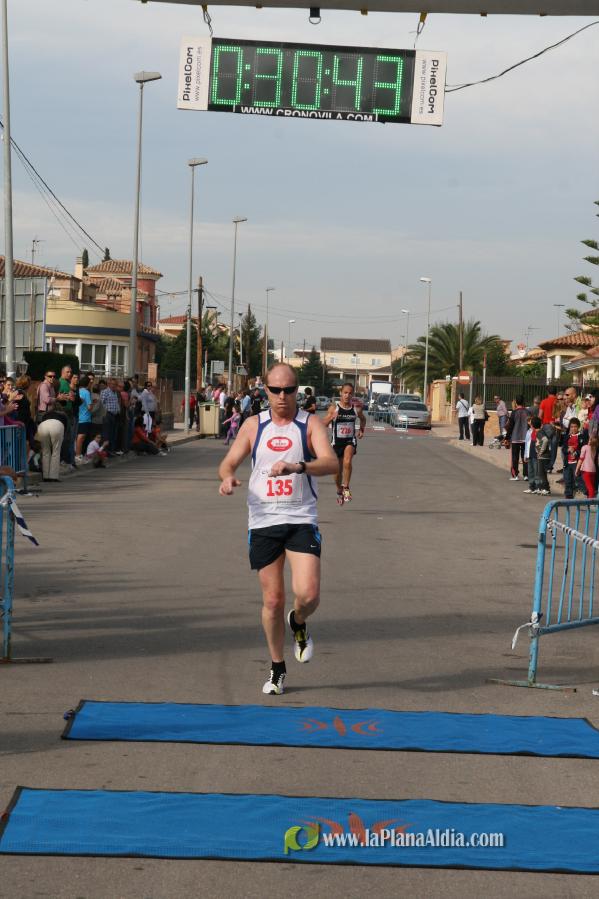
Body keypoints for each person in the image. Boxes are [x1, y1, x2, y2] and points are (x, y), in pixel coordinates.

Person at [218, 363, 338, 696]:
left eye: (289, 390)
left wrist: (298, 466)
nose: (282, 396)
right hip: (263, 521)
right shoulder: (254, 425)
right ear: (265, 391)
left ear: (297, 390)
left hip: (300, 517)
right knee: (272, 600)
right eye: (275, 390)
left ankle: (298, 622)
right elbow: (228, 462)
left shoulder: (309, 423)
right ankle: (277, 668)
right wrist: (227, 478)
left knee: (308, 595)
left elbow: (330, 462)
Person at [322, 382, 366, 505]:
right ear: (341, 393)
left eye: (350, 393)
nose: (347, 395)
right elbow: (323, 424)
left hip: (349, 440)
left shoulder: (356, 409)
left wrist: (361, 430)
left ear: (353, 395)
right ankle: (339, 490)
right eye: (345, 392)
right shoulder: (333, 408)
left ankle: (346, 487)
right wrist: (331, 417)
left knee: (347, 461)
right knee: (336, 472)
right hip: (336, 443)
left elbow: (363, 419)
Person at [37, 411, 65, 482]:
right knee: (56, 452)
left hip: (43, 425)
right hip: (58, 425)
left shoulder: (46, 415)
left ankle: (46, 476)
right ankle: (53, 477)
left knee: (45, 451)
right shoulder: (63, 416)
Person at [506, 395, 529, 480]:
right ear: (523, 402)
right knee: (525, 457)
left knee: (515, 457)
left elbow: (510, 427)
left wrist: (507, 438)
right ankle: (526, 475)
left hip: (515, 438)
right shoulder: (527, 412)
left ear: (516, 402)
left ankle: (515, 475)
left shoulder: (514, 412)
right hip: (525, 438)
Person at [100, 378, 121, 455]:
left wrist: (118, 410)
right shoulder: (105, 392)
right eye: (112, 384)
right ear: (109, 384)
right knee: (106, 433)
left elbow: (116, 403)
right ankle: (105, 451)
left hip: (114, 415)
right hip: (107, 414)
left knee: (112, 433)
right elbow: (101, 403)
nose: (114, 386)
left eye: (115, 384)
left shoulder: (115, 392)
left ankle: (111, 450)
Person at [576, 432, 598, 499]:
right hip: (593, 470)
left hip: (586, 470)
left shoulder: (585, 447)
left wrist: (577, 469)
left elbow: (581, 459)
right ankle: (589, 501)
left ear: (589, 440)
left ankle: (591, 501)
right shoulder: (595, 449)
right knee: (591, 486)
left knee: (589, 487)